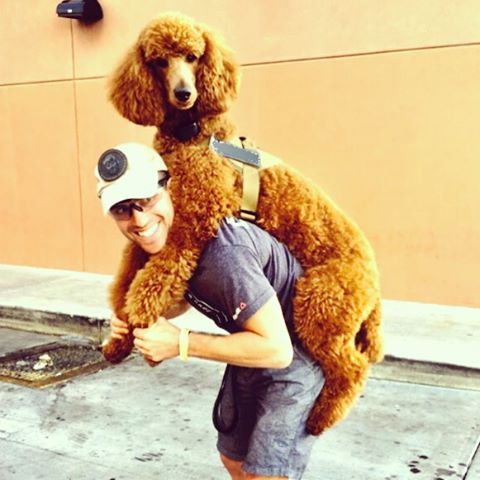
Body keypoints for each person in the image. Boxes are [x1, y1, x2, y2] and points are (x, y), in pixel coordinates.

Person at [95, 142, 324, 480]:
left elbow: (277, 351)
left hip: (298, 352)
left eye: (147, 200)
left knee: (267, 475)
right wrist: (147, 322)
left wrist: (180, 343)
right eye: (123, 209)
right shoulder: (169, 239)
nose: (140, 220)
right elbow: (194, 294)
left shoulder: (224, 254)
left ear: (169, 187)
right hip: (250, 338)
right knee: (233, 458)